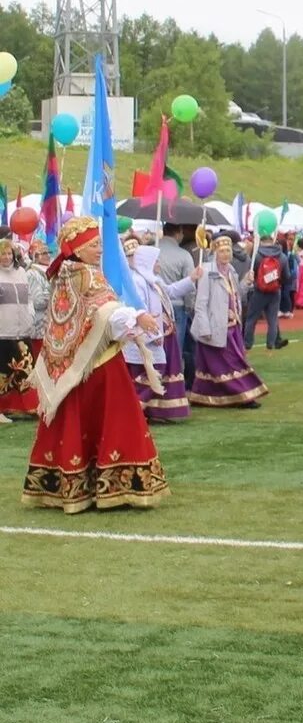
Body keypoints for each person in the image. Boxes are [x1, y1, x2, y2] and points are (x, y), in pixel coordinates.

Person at [20, 216, 168, 513]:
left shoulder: (64, 272)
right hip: (98, 367)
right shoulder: (86, 274)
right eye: (94, 244)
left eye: (100, 243)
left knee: (73, 423)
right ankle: (118, 486)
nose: (100, 249)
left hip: (74, 366)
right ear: (78, 247)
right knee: (115, 420)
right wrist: (136, 317)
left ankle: (72, 486)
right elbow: (104, 312)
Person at [189, 234, 269, 409]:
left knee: (219, 365)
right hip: (215, 327)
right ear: (215, 252)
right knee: (230, 363)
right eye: (222, 251)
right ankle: (243, 396)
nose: (226, 254)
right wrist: (204, 328)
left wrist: (246, 283)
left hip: (233, 326)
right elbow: (200, 304)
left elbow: (236, 295)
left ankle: (204, 396)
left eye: (228, 251)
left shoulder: (230, 271)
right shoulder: (207, 272)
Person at [126, 245, 201, 421]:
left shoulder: (153, 280)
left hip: (162, 334)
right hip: (149, 338)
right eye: (156, 260)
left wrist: (191, 279)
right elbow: (140, 311)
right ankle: (133, 410)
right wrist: (153, 335)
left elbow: (171, 291)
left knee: (159, 372)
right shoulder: (138, 282)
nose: (159, 263)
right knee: (150, 374)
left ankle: (154, 411)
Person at [0, 239, 38, 420]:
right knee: (3, 370)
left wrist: (30, 314)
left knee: (26, 367)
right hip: (3, 330)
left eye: (9, 254)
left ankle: (28, 405)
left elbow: (29, 297)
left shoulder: (21, 272)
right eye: (3, 254)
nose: (6, 257)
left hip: (23, 329)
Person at [157, 223, 197, 386]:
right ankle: (174, 383)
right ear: (178, 233)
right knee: (175, 348)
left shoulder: (152, 250)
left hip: (155, 305)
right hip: (177, 305)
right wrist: (190, 306)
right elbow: (190, 288)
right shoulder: (183, 255)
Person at [243, 233, 290, 351]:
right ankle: (271, 344)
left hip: (258, 291)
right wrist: (278, 282)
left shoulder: (256, 255)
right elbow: (287, 276)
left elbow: (250, 272)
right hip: (275, 290)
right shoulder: (282, 256)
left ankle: (247, 343)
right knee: (273, 319)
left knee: (251, 318)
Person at [26, 239, 51, 360]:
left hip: (49, 329)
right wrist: (55, 294)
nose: (48, 255)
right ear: (35, 256)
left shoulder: (47, 272)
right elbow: (37, 301)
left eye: (48, 252)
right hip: (39, 328)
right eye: (43, 253)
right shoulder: (32, 274)